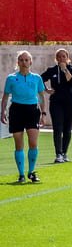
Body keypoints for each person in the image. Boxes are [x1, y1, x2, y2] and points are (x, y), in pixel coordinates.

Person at [1, 51, 47, 183]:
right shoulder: (11, 78)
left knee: (33, 143)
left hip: (32, 110)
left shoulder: (37, 78)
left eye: (27, 60)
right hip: (16, 110)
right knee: (18, 144)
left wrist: (43, 113)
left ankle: (31, 172)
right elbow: (5, 96)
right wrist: (2, 111)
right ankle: (21, 174)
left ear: (31, 62)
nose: (24, 62)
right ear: (18, 62)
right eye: (21, 60)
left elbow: (42, 96)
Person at [42, 48, 72, 163]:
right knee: (57, 128)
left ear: (67, 58)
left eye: (63, 56)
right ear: (56, 58)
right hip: (56, 103)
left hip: (70, 102)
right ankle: (58, 154)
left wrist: (65, 70)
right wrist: (46, 89)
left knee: (67, 129)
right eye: (59, 56)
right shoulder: (52, 70)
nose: (61, 58)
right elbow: (39, 79)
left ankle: (64, 153)